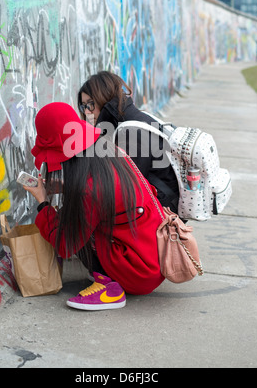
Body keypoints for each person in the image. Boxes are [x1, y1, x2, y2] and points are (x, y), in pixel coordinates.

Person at [24, 102, 165, 311]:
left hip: (139, 272)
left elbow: (65, 244)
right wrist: (66, 189)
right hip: (149, 255)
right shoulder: (106, 154)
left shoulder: (91, 189)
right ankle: (109, 269)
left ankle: (111, 288)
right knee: (78, 215)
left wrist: (43, 204)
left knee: (74, 223)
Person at [77, 71, 179, 213]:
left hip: (164, 209)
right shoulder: (128, 119)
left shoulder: (130, 130)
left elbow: (125, 187)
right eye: (83, 106)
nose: (87, 112)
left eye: (90, 104)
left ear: (104, 98)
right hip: (162, 199)